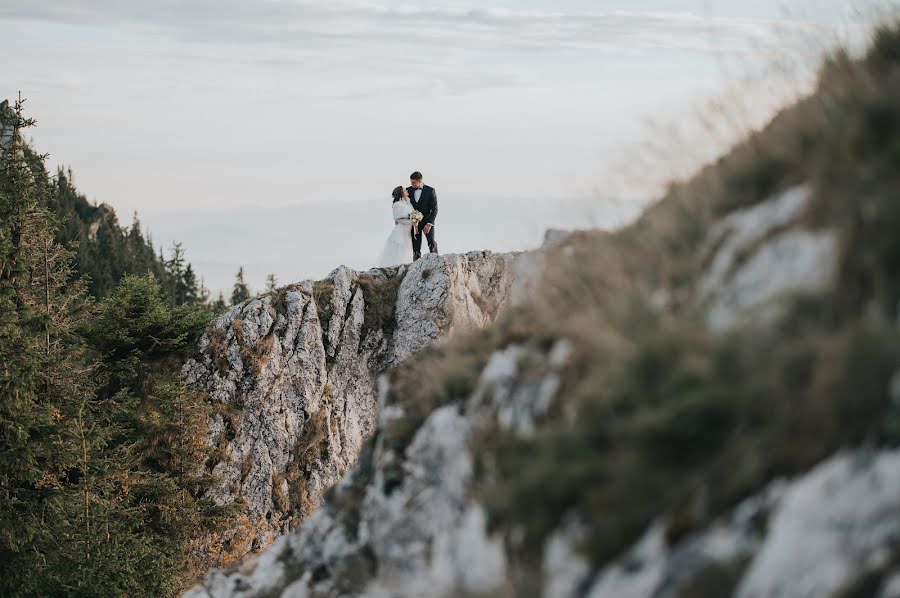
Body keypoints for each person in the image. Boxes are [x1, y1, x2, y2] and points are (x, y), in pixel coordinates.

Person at [377, 185, 414, 267]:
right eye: (404, 190)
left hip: (408, 230)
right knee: (400, 249)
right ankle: (396, 266)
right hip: (401, 230)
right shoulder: (397, 204)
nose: (406, 190)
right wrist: (411, 221)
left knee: (407, 249)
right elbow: (398, 218)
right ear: (401, 193)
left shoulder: (407, 202)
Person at [406, 171, 438, 260]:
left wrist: (429, 223)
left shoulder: (430, 190)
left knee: (431, 242)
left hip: (427, 221)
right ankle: (416, 265)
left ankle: (436, 261)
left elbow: (435, 209)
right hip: (414, 223)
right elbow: (403, 204)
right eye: (411, 182)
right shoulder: (407, 190)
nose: (412, 184)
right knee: (415, 246)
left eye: (414, 182)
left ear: (420, 181)